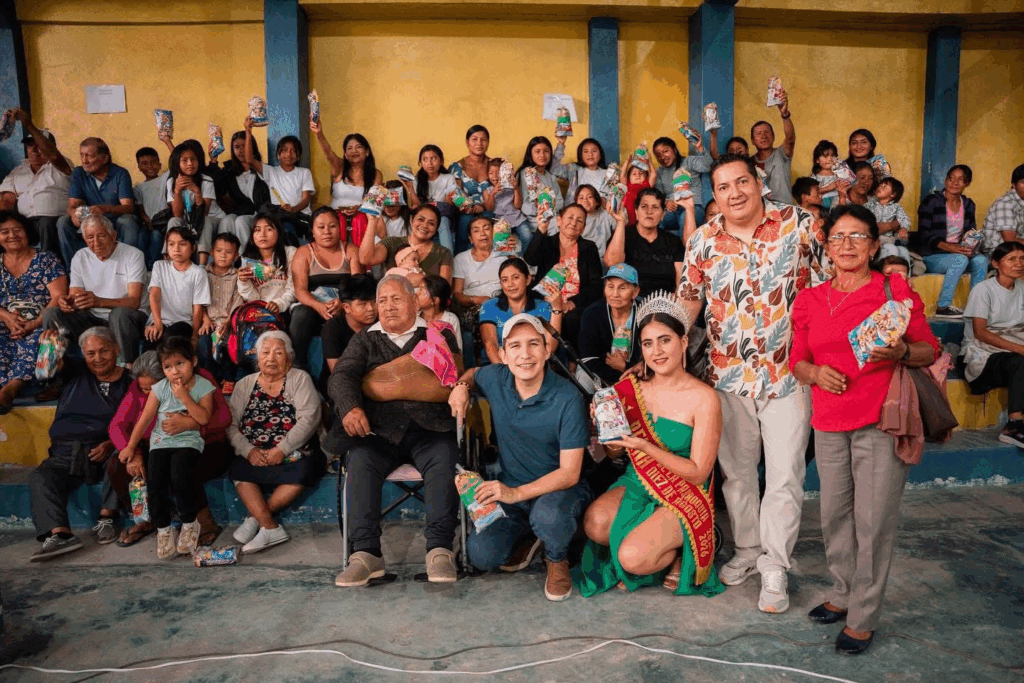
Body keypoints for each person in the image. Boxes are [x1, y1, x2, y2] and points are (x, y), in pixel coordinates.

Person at [677, 153, 828, 614]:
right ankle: (747, 549)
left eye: (742, 182)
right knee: (738, 474)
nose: (734, 193)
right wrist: (670, 348)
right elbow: (689, 300)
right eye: (723, 187)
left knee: (785, 474)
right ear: (715, 195)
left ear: (759, 182)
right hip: (726, 376)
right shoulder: (702, 241)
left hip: (789, 372)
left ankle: (776, 564)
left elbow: (827, 284)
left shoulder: (799, 224)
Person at [790, 204, 938, 655]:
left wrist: (901, 353)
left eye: (857, 236)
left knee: (874, 522)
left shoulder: (893, 291)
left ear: (874, 245)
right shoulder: (810, 298)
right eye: (838, 236)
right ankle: (842, 591)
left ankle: (863, 615)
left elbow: (929, 349)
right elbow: (797, 360)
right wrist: (815, 374)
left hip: (879, 420)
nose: (847, 244)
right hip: (828, 421)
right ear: (827, 246)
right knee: (834, 514)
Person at [575, 293, 724, 598]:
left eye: (664, 340)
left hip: (684, 491)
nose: (656, 351)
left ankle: (678, 549)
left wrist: (645, 447)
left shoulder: (704, 398)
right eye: (647, 343)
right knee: (595, 524)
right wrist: (605, 430)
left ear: (683, 341)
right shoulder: (630, 388)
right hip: (640, 480)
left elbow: (698, 472)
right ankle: (652, 540)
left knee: (632, 558)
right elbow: (615, 453)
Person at [449, 313, 592, 601]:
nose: (525, 355)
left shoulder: (568, 398)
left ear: (547, 350)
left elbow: (569, 474)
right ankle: (531, 536)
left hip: (559, 490)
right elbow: (473, 373)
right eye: (515, 346)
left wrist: (514, 494)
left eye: (533, 344)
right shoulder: (497, 377)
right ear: (503, 355)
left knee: (549, 517)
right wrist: (460, 388)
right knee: (481, 555)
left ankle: (556, 557)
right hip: (513, 490)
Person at [330, 275, 462, 586]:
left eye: (396, 299)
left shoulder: (438, 334)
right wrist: (350, 407)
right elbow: (342, 376)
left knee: (444, 459)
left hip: (431, 429)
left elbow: (451, 378)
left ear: (415, 302)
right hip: (379, 433)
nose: (388, 307)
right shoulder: (364, 340)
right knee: (360, 460)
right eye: (382, 301)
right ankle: (365, 555)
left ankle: (440, 550)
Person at [107, 350, 233, 548]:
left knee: (182, 465)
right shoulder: (140, 386)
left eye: (152, 388)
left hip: (205, 444)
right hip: (158, 444)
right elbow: (117, 425)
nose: (147, 393)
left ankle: (204, 522)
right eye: (144, 389)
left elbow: (223, 418)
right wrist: (134, 452)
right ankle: (147, 519)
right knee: (118, 464)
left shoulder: (198, 379)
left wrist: (189, 424)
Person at [28, 327, 133, 561]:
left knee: (123, 456)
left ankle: (107, 518)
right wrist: (51, 344)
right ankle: (61, 535)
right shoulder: (76, 370)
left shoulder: (130, 382)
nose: (97, 358)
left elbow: (135, 421)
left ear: (116, 349)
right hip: (64, 454)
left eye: (104, 351)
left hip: (102, 452)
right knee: (40, 477)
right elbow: (54, 364)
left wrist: (110, 443)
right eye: (90, 353)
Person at [228, 331, 325, 553]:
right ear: (257, 358)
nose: (271, 358)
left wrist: (282, 449)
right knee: (238, 468)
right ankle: (270, 527)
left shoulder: (300, 378)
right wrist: (248, 450)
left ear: (289, 358)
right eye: (265, 352)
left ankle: (256, 519)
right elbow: (230, 425)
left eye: (278, 353)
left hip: (294, 451)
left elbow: (310, 418)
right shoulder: (244, 384)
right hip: (255, 452)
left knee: (307, 467)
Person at [41, 214, 148, 363]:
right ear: (84, 239)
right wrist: (69, 303)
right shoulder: (80, 256)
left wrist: (99, 302)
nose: (96, 243)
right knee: (52, 313)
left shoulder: (133, 255)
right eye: (90, 238)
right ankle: (54, 366)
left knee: (119, 314)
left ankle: (125, 367)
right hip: (92, 318)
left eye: (102, 236)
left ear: (113, 235)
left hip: (127, 318)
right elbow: (75, 294)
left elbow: (134, 301)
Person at [0, 211, 67, 413]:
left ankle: (11, 388)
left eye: (17, 230)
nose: (12, 235)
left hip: (42, 320)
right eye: (4, 231)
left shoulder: (46, 259)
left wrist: (33, 323)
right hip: (5, 321)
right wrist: (6, 317)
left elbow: (59, 296)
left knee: (47, 338)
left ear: (27, 232)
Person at [961, 241, 1024, 448]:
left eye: (1022, 259)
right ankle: (1014, 425)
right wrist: (1020, 349)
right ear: (996, 263)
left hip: (1011, 344)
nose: (1019, 264)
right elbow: (980, 332)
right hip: (982, 353)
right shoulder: (983, 290)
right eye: (1011, 259)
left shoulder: (1022, 288)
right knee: (1018, 361)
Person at [289, 206, 362, 370]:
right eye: (321, 227)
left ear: (339, 227)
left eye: (332, 226)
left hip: (345, 303)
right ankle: (298, 367)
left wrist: (343, 302)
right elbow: (300, 290)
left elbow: (357, 285)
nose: (327, 232)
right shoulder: (303, 253)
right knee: (300, 314)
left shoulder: (350, 250)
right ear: (312, 231)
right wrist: (318, 306)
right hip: (313, 305)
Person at [524, 203, 603, 349]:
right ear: (559, 220)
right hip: (545, 301)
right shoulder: (547, 243)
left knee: (573, 319)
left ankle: (570, 360)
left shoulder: (589, 248)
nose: (573, 223)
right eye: (570, 218)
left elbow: (596, 285)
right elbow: (531, 259)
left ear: (583, 228)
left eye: (579, 220)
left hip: (573, 306)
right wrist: (541, 229)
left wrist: (571, 303)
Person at [916, 164, 986, 320]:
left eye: (960, 180)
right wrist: (950, 247)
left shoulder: (968, 204)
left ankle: (975, 306)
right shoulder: (932, 201)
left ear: (967, 183)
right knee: (959, 259)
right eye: (951, 178)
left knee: (981, 260)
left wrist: (970, 247)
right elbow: (923, 234)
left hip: (958, 253)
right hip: (932, 255)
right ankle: (943, 306)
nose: (954, 183)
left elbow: (970, 232)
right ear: (945, 180)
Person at [57, 137, 142, 266]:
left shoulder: (120, 173)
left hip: (115, 219)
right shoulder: (79, 173)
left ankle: (127, 266)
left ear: (104, 158)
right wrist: (73, 213)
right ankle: (74, 269)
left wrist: (104, 209)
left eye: (89, 156)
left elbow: (128, 207)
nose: (84, 160)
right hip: (91, 220)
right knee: (63, 222)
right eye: (82, 155)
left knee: (127, 221)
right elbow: (72, 205)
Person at [0, 109, 72, 256]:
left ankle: (47, 265)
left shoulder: (62, 166)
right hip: (26, 223)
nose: (33, 149)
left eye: (38, 144)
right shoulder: (17, 172)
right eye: (29, 145)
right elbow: (7, 201)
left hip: (53, 222)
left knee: (45, 223)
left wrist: (28, 124)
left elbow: (54, 156)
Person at [604, 188, 688, 297]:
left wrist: (676, 297)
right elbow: (613, 264)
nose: (649, 212)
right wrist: (620, 222)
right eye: (644, 207)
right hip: (629, 300)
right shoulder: (622, 235)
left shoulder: (673, 241)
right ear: (636, 211)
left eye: (655, 207)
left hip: (664, 301)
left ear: (663, 214)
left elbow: (680, 283)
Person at [244, 119, 315, 239]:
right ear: (278, 154)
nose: (289, 154)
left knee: (286, 229)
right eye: (285, 150)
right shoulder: (271, 172)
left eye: (293, 151)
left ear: (298, 155)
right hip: (280, 218)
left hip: (300, 217)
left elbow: (306, 199)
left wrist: (292, 209)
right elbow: (249, 160)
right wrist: (248, 131)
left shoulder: (304, 173)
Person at [313, 123, 381, 247]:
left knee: (365, 222)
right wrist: (318, 133)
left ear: (367, 152)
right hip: (335, 219)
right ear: (345, 154)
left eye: (358, 147)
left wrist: (359, 208)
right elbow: (328, 153)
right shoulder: (339, 167)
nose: (354, 151)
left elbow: (374, 203)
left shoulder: (376, 174)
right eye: (349, 148)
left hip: (363, 220)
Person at [578, 264, 643, 387]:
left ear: (635, 292)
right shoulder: (592, 313)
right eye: (610, 287)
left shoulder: (645, 314)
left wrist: (625, 367)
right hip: (601, 374)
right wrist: (616, 380)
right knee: (584, 377)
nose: (615, 294)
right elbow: (588, 358)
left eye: (622, 288)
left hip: (636, 375)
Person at [145, 226, 210, 348]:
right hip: (160, 321)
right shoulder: (159, 266)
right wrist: (157, 322)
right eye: (171, 244)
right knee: (150, 341)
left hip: (184, 324)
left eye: (182, 244)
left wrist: (194, 336)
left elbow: (197, 308)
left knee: (170, 340)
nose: (176, 249)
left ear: (193, 248)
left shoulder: (198, 273)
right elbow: (154, 294)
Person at [209, 130, 268, 253]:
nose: (241, 151)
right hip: (239, 212)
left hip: (260, 213)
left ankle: (247, 257)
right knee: (227, 221)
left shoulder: (262, 169)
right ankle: (224, 257)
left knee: (241, 221)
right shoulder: (230, 171)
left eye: (244, 146)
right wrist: (213, 161)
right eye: (237, 147)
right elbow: (216, 187)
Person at [360, 205, 454, 281]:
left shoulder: (443, 253)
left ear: (436, 230)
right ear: (411, 220)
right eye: (420, 219)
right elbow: (366, 259)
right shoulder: (392, 243)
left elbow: (444, 288)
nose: (425, 225)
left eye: (431, 223)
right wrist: (372, 221)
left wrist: (420, 280)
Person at [197, 233, 244, 386]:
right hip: (207, 322)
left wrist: (229, 322)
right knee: (203, 344)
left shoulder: (238, 276)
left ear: (236, 256)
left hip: (228, 322)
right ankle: (211, 379)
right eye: (219, 251)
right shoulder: (202, 273)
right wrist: (205, 320)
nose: (223, 255)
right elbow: (197, 299)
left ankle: (229, 379)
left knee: (231, 343)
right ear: (211, 252)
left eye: (228, 252)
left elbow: (238, 300)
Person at [402, 144, 458, 254]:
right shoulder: (416, 180)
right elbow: (417, 205)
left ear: (441, 161)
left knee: (443, 221)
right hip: (425, 215)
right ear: (420, 163)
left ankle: (448, 257)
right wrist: (410, 188)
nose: (429, 163)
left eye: (433, 159)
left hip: (442, 215)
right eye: (425, 160)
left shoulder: (448, 178)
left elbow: (448, 204)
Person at [237, 213, 296, 314]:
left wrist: (279, 304)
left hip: (286, 310)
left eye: (269, 229)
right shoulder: (248, 260)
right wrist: (243, 282)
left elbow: (294, 289)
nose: (262, 234)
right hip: (260, 313)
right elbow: (252, 298)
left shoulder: (290, 253)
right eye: (257, 230)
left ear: (278, 232)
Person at [652, 135, 712, 233]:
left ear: (674, 149)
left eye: (665, 151)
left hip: (694, 207)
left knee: (685, 218)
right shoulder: (659, 172)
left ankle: (685, 243)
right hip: (673, 210)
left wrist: (700, 148)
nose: (662, 157)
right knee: (660, 219)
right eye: (658, 155)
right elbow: (659, 194)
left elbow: (708, 166)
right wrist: (666, 202)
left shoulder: (689, 162)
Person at [448, 125, 493, 254]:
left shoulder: (494, 165)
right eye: (474, 139)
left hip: (489, 209)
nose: (479, 143)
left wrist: (483, 206)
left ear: (488, 142)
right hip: (465, 211)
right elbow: (454, 193)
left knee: (488, 219)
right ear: (467, 143)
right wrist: (469, 207)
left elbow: (502, 191)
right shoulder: (457, 167)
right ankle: (459, 260)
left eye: (483, 139)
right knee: (465, 220)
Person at [322, 273, 378, 373]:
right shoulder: (332, 328)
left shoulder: (382, 321)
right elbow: (337, 372)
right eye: (363, 304)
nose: (370, 308)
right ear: (346, 307)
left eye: (374, 302)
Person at [750, 88, 796, 205]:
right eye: (758, 134)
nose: (763, 136)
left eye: (767, 132)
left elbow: (790, 138)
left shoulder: (781, 153)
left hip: (784, 210)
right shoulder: (749, 162)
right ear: (753, 141)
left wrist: (785, 114)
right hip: (761, 212)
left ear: (773, 136)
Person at [518, 137, 565, 235]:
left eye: (546, 151)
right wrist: (538, 207)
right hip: (534, 220)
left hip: (553, 217)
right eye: (537, 151)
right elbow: (524, 207)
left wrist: (549, 206)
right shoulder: (526, 174)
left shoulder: (551, 176)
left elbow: (560, 202)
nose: (542, 155)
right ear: (530, 154)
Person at [132, 146, 169, 266]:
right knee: (142, 235)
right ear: (139, 167)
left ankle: (153, 266)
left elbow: (177, 158)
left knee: (156, 236)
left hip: (163, 223)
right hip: (148, 223)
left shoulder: (164, 178)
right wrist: (148, 222)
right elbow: (141, 210)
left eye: (153, 162)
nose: (150, 166)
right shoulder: (138, 188)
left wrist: (166, 141)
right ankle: (140, 266)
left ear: (160, 164)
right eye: (145, 163)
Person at [482, 159, 529, 251]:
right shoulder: (487, 191)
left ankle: (523, 257)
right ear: (487, 175)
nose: (495, 176)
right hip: (500, 222)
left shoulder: (511, 188)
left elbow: (518, 206)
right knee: (501, 242)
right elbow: (489, 208)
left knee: (527, 236)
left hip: (516, 219)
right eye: (491, 173)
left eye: (498, 173)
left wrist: (516, 189)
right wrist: (493, 193)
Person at [552, 136, 610, 205]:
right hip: (576, 211)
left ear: (600, 155)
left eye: (594, 151)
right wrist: (561, 143)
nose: (590, 154)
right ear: (581, 155)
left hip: (600, 211)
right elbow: (554, 169)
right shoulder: (574, 170)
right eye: (586, 151)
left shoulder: (609, 174)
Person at [981, 163, 1024, 253]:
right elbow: (1010, 241)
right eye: (1023, 182)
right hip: (997, 253)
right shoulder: (1006, 203)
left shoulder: (1021, 202)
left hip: (1017, 251)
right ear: (1014, 185)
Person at [417, 273, 462, 351]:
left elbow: (457, 351)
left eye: (421, 290)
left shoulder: (450, 320)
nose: (416, 293)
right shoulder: (415, 318)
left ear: (435, 300)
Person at [865, 177, 911, 246]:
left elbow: (904, 218)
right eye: (879, 185)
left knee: (893, 249)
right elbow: (860, 212)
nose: (880, 187)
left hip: (887, 239)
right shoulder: (870, 204)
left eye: (884, 186)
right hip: (872, 237)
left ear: (893, 194)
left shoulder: (896, 207)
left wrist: (904, 229)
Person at [574, 184, 614, 258]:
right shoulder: (573, 219)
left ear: (597, 201)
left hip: (603, 259)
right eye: (581, 198)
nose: (585, 200)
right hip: (580, 259)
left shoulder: (606, 215)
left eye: (589, 197)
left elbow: (622, 223)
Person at [620, 156, 657, 226]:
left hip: (644, 217)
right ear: (629, 178)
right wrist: (627, 162)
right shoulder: (626, 185)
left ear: (646, 176)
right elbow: (622, 175)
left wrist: (649, 162)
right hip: (628, 218)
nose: (638, 175)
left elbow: (654, 175)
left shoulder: (647, 185)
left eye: (641, 173)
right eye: (634, 174)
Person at [810, 140, 846, 210]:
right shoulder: (815, 176)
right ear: (817, 160)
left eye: (832, 156)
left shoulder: (839, 173)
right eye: (825, 156)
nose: (829, 159)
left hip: (838, 200)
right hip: (821, 203)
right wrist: (828, 188)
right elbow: (812, 192)